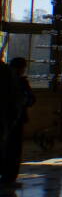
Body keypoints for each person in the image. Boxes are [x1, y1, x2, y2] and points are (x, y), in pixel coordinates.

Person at [0, 55, 24, 189]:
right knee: (10, 148)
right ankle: (8, 178)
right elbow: (16, 97)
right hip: (7, 117)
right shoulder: (7, 73)